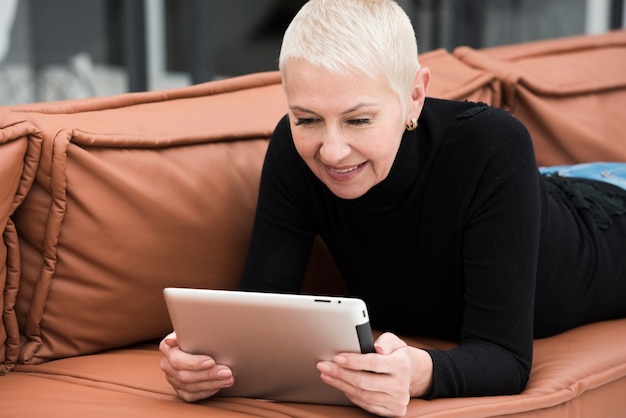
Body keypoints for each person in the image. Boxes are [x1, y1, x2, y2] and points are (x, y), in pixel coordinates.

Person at [159, 0, 626, 416]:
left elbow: (504, 359)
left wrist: (420, 373)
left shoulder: (492, 146)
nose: (332, 151)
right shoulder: (292, 150)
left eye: (359, 119)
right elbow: (259, 315)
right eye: (307, 119)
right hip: (527, 193)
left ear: (414, 97)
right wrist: (204, 365)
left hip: (604, 212)